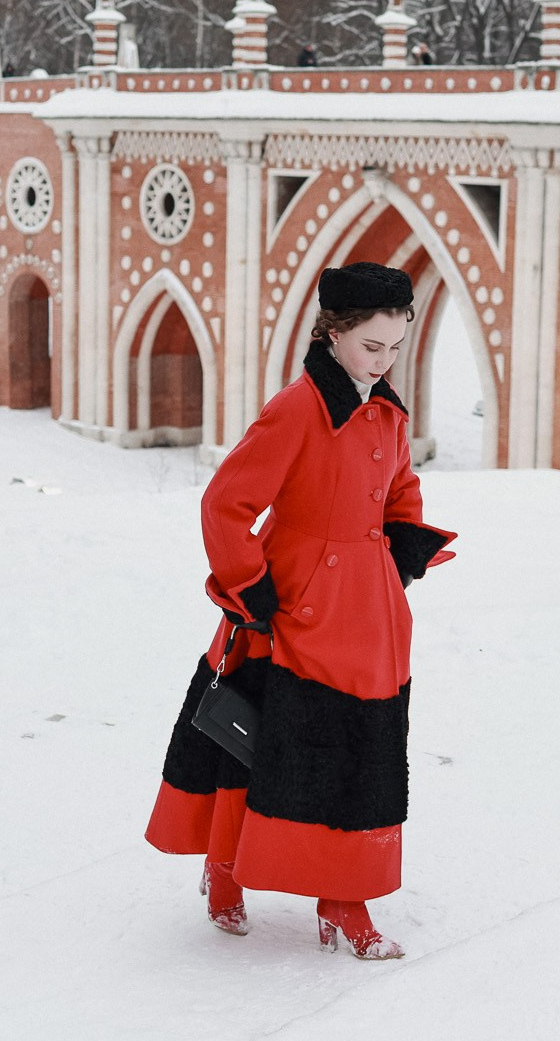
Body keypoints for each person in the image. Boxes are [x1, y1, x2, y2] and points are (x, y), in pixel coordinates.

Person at [145, 262, 456, 959]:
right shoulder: (296, 407)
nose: (383, 362)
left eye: (396, 348)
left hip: (368, 613)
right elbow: (225, 502)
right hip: (288, 609)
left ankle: (343, 899)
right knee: (254, 744)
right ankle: (226, 868)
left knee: (357, 754)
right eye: (371, 347)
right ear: (334, 332)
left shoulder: (386, 409)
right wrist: (250, 587)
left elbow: (400, 488)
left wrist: (401, 548)